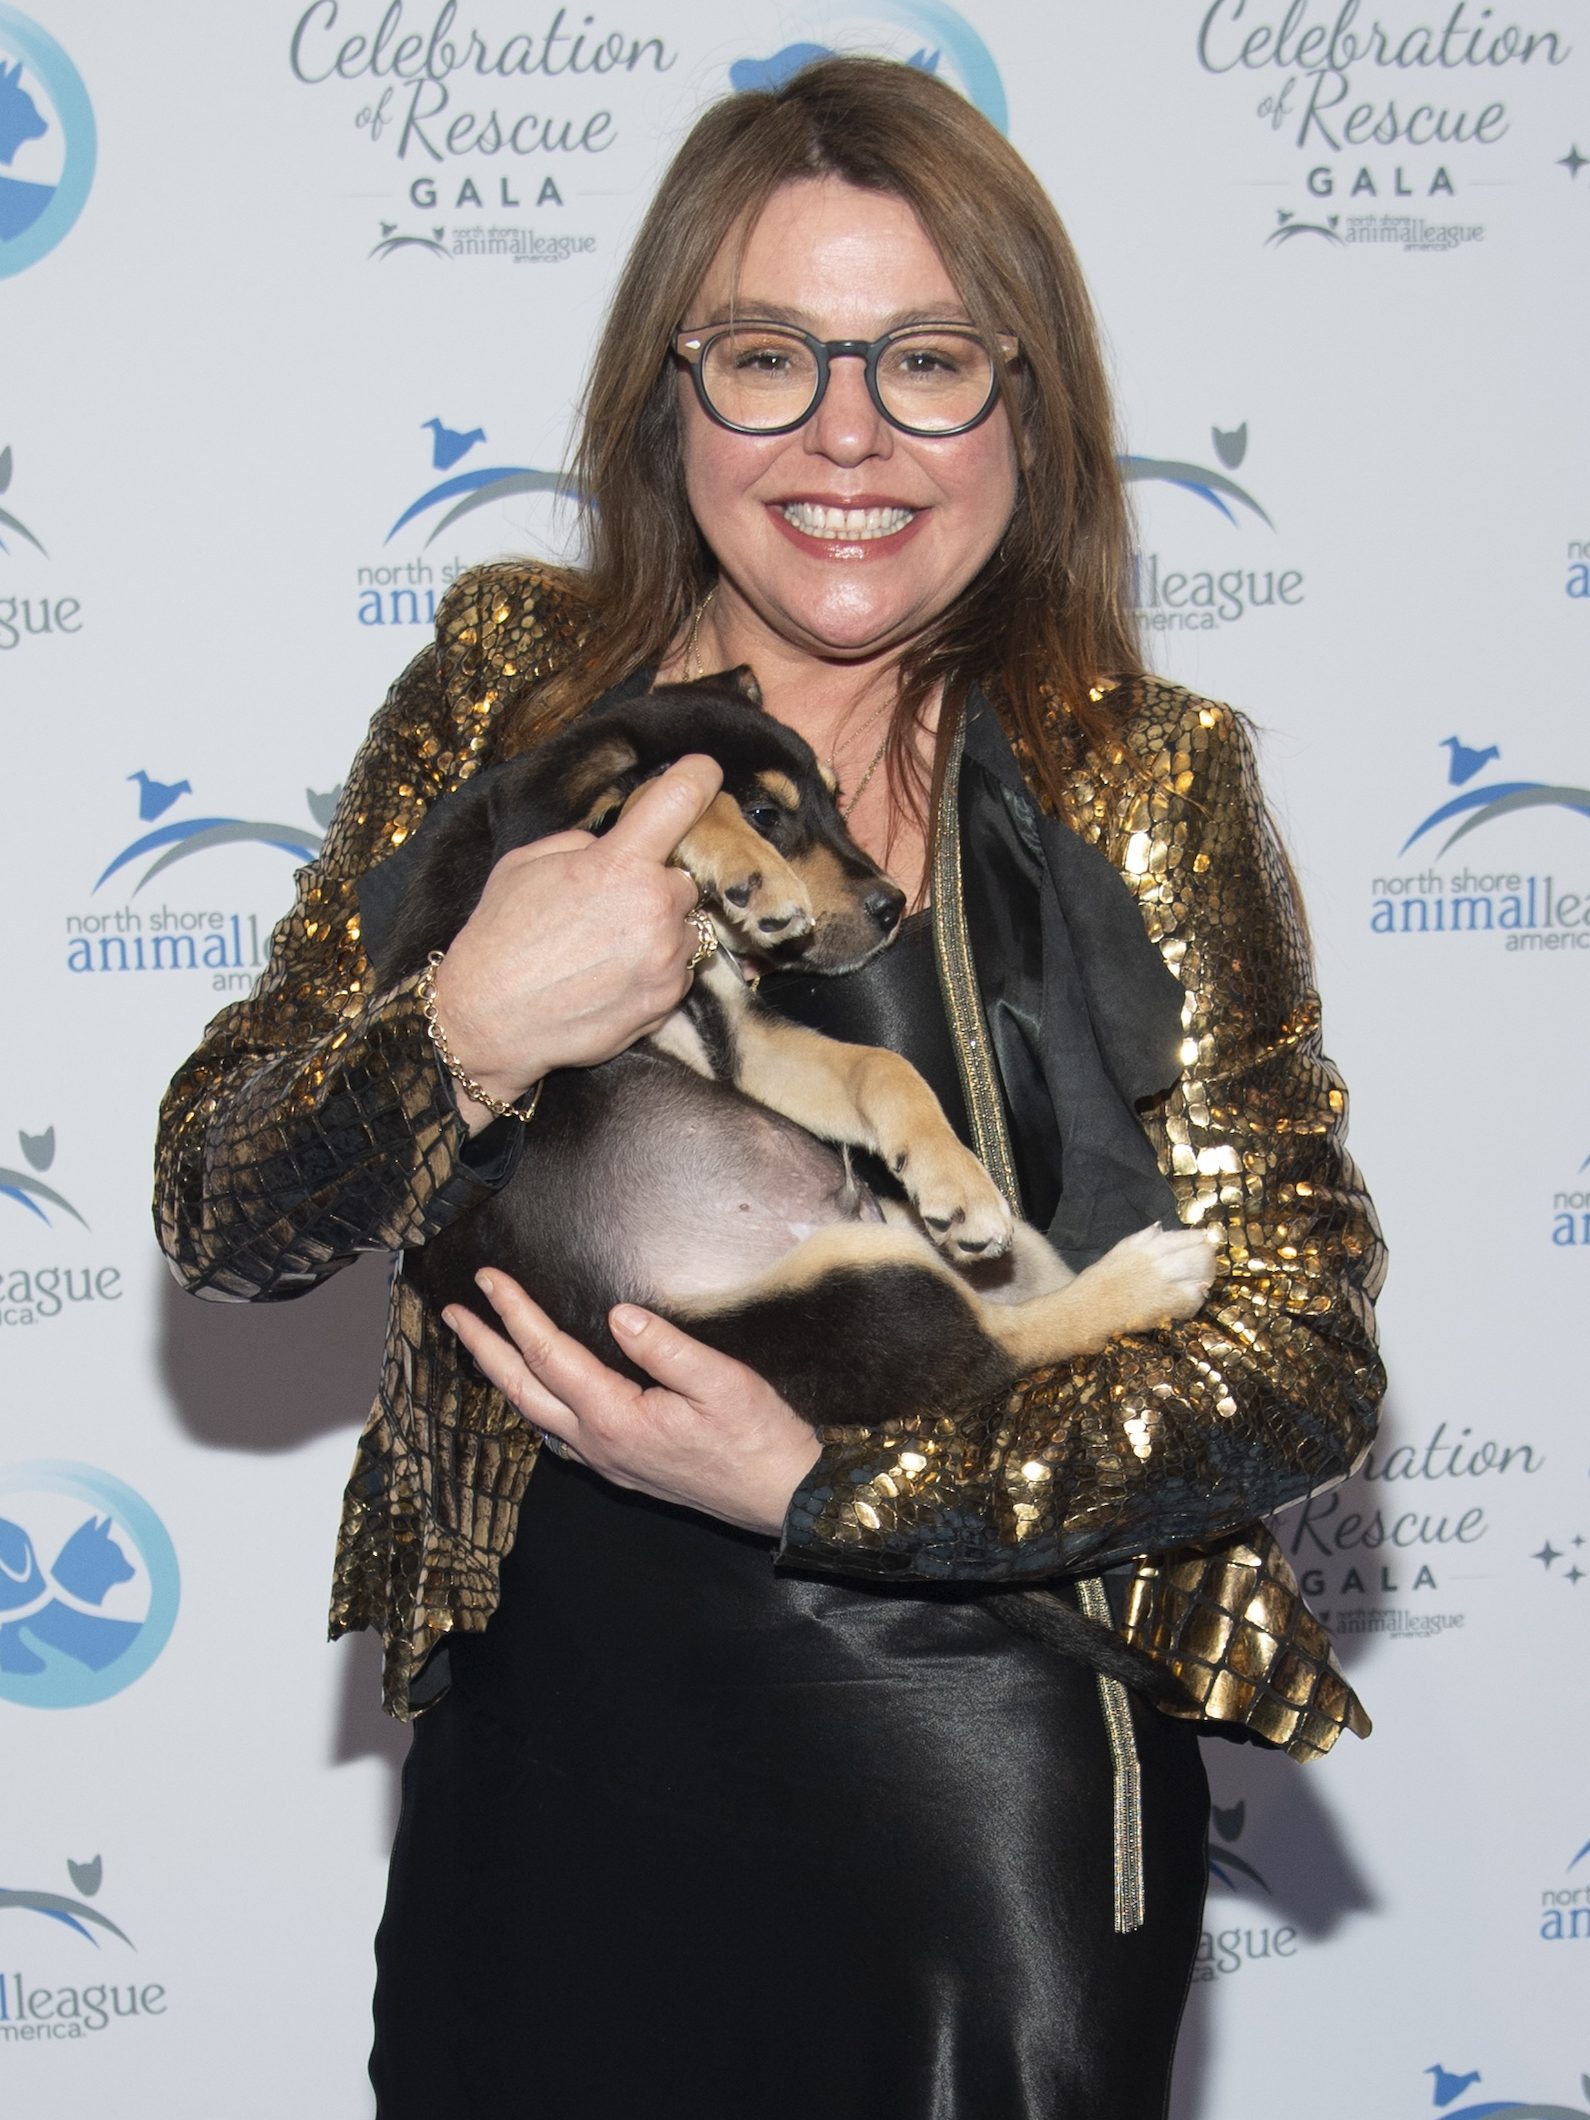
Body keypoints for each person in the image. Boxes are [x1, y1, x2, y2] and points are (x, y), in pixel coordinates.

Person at [154, 56, 1385, 2120]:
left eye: (923, 360)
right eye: (768, 357)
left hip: (976, 1788)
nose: (846, 434)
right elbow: (225, 1203)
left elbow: (1303, 1359)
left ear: (1027, 405)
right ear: (669, 393)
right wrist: (464, 1023)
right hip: (554, 1760)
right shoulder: (508, 692)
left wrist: (829, 1491)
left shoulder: (1145, 775)